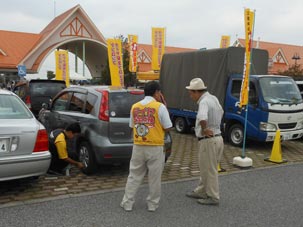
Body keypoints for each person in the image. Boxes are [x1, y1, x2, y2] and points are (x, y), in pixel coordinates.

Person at [120, 81, 172, 212]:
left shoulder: (135, 107)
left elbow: (132, 126)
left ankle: (127, 202)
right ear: (156, 92)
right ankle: (152, 204)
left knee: (134, 175)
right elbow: (168, 127)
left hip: (138, 145)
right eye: (159, 92)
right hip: (155, 147)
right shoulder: (160, 107)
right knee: (154, 178)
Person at [185, 78, 224, 205]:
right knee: (206, 167)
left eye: (191, 93)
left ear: (197, 91)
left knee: (209, 169)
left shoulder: (204, 102)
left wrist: (205, 128)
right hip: (217, 138)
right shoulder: (213, 98)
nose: (190, 95)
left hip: (208, 140)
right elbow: (221, 112)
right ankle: (201, 190)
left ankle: (213, 196)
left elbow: (202, 117)